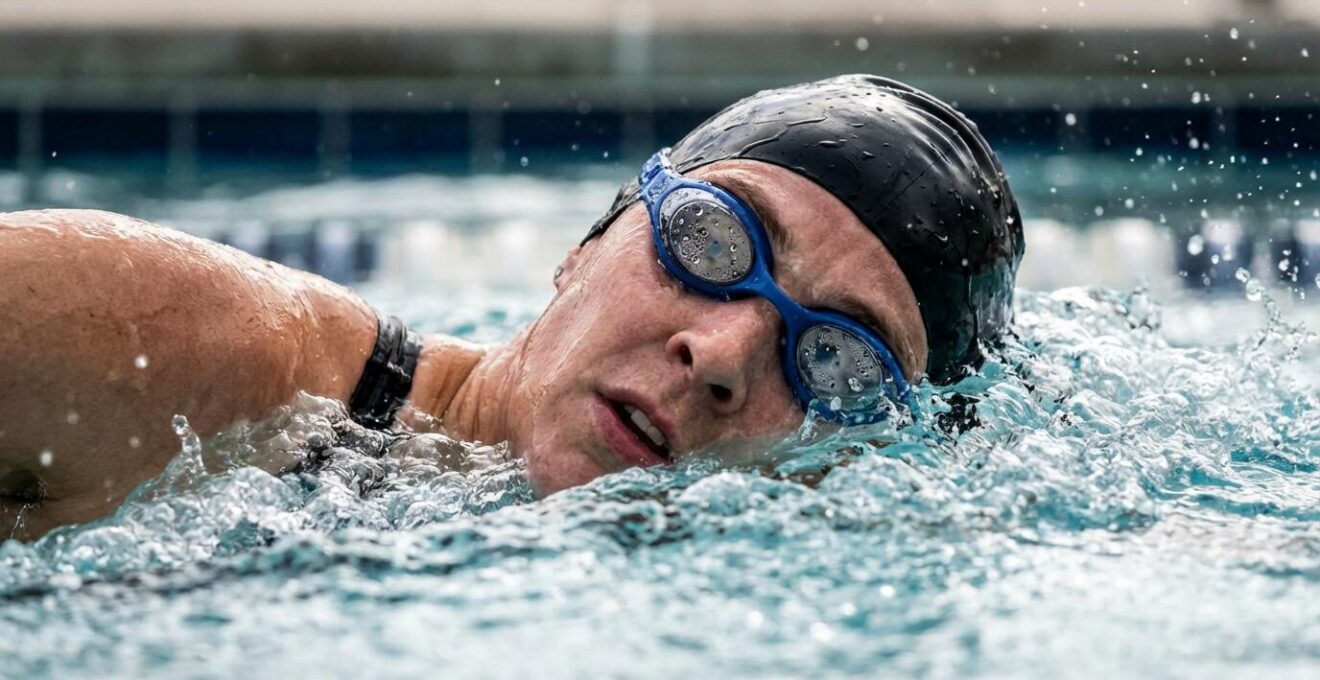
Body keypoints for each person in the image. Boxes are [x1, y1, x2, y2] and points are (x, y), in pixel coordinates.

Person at [0, 74, 1024, 541]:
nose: (718, 353)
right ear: (585, 244)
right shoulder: (192, 346)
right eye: (713, 241)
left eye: (839, 360)